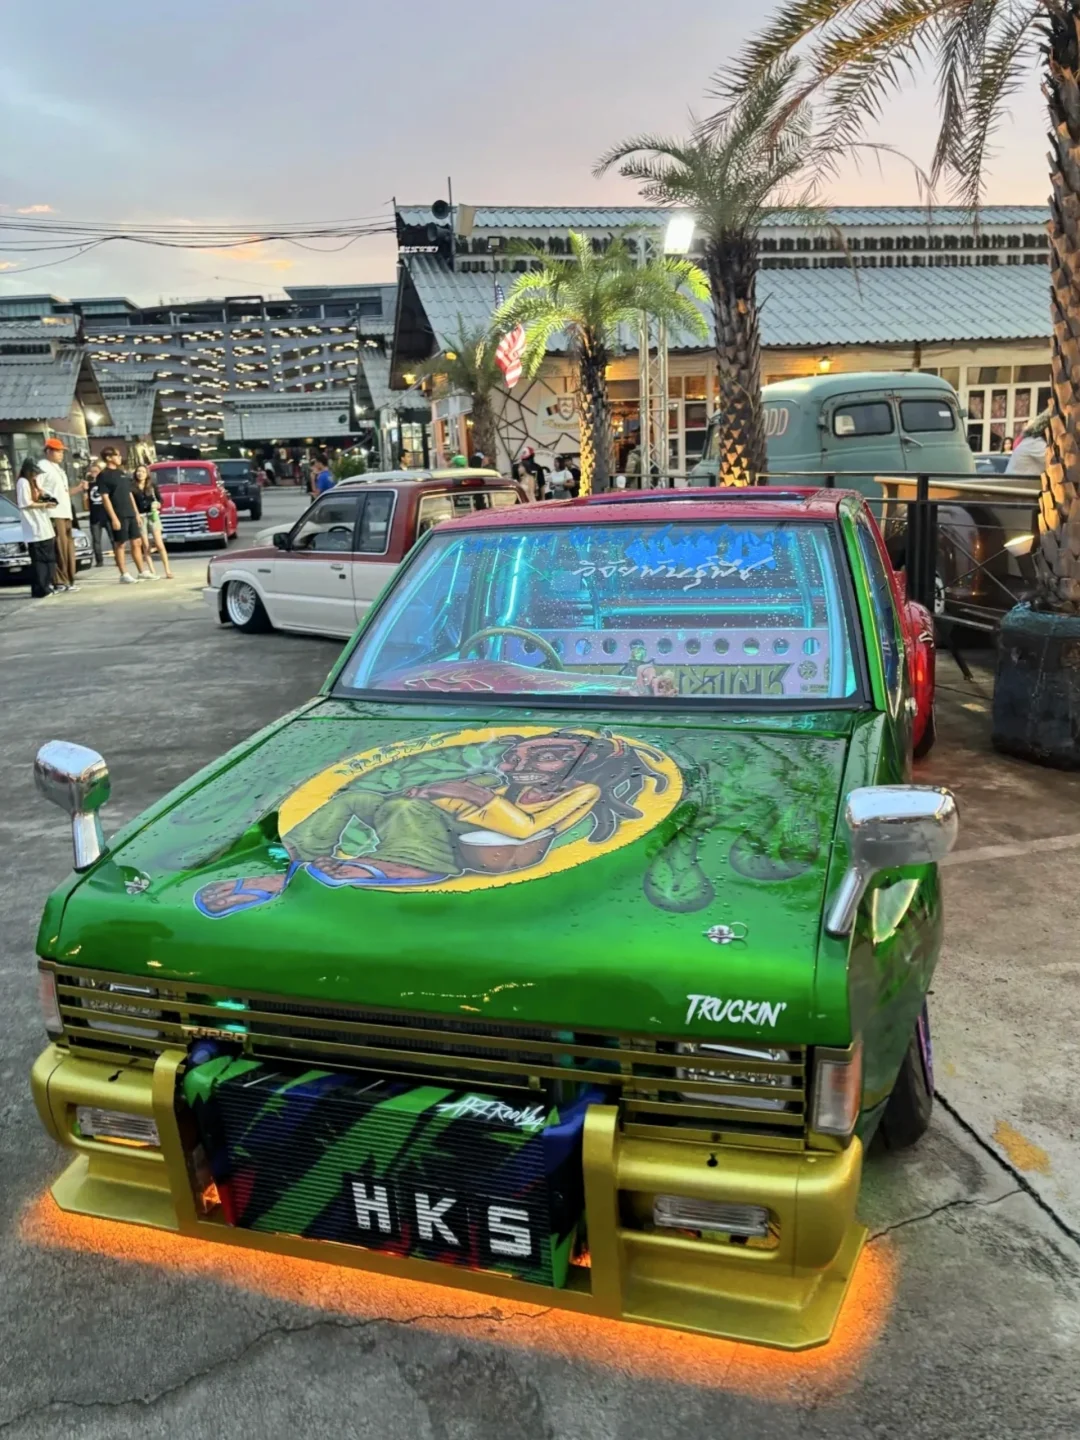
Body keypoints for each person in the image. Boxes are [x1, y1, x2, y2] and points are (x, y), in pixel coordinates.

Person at [98, 446, 150, 583]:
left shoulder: (122, 473)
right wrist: (114, 518)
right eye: (117, 455)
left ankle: (142, 571)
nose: (120, 458)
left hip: (130, 512)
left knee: (137, 542)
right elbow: (105, 498)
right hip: (118, 514)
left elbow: (129, 494)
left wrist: (136, 513)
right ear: (109, 458)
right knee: (120, 543)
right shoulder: (103, 475)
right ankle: (124, 574)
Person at [36, 437, 78, 592]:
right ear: (48, 451)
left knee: (67, 548)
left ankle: (69, 579)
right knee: (58, 548)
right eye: (57, 451)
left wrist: (79, 488)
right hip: (54, 513)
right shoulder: (42, 466)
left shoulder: (58, 469)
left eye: (62, 451)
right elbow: (37, 488)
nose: (61, 454)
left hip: (65, 512)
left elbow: (63, 492)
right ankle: (59, 581)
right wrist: (48, 502)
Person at [15, 457, 58, 598]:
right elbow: (25, 503)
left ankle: (45, 585)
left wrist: (45, 497)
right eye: (34, 473)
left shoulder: (34, 482)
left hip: (43, 524)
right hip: (34, 526)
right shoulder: (23, 482)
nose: (36, 475)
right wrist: (44, 504)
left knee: (49, 558)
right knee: (40, 560)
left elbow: (42, 496)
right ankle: (41, 588)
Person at [132, 464, 173, 579]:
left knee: (159, 543)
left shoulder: (152, 486)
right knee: (145, 545)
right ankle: (152, 571)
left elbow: (160, 500)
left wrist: (157, 504)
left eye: (143, 472)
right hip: (141, 516)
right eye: (138, 471)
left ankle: (167, 570)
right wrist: (136, 515)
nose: (140, 474)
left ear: (147, 474)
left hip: (152, 515)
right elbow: (132, 503)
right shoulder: (132, 487)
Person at [85, 461, 110, 566]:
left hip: (107, 515)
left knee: (113, 538)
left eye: (96, 471)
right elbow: (86, 504)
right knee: (96, 540)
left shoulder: (105, 483)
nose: (94, 473)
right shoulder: (88, 485)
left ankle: (118, 558)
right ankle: (99, 561)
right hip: (94, 516)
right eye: (92, 471)